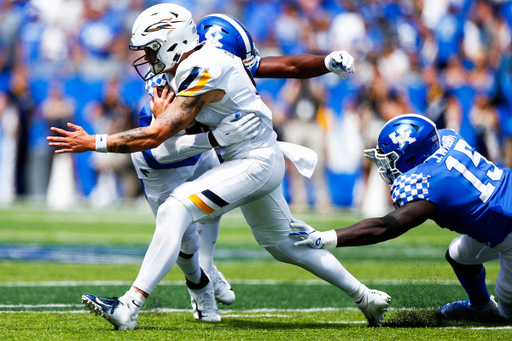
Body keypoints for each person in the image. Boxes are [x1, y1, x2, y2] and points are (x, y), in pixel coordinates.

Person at [47, 4, 390, 330]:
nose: (147, 58)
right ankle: (366, 297)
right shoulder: (194, 65)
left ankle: (130, 306)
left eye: (151, 49)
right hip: (250, 159)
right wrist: (169, 121)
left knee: (175, 209)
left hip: (251, 161)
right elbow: (166, 135)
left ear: (172, 43)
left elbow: (157, 135)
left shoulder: (204, 66)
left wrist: (93, 142)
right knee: (286, 244)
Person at [134, 12, 355, 310]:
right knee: (180, 229)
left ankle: (204, 270)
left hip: (225, 153)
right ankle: (197, 279)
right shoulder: (181, 73)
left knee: (196, 213)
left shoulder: (219, 64)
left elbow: (287, 65)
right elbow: (160, 141)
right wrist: (216, 136)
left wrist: (325, 61)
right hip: (166, 153)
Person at [289, 113, 512, 322]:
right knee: (458, 254)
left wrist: (325, 238)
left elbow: (386, 227)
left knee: (507, 314)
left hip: (506, 228)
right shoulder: (445, 138)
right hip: (503, 205)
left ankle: (498, 311)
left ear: (413, 155)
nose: (385, 165)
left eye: (390, 159)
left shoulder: (430, 184)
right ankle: (481, 307)